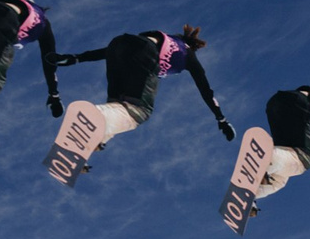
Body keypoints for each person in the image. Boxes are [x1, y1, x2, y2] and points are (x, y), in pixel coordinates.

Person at [53, 26, 229, 151]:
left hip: (119, 44)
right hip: (142, 52)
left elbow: (114, 50)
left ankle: (98, 139)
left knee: (119, 104)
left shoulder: (163, 37)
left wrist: (76, 58)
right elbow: (206, 90)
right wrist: (221, 119)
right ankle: (94, 117)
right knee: (139, 110)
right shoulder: (187, 55)